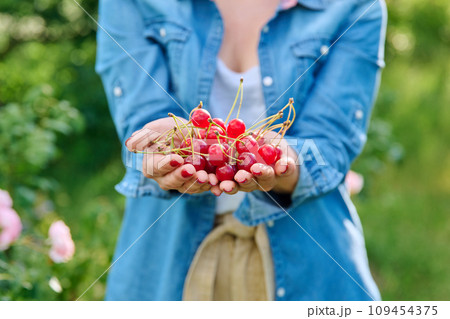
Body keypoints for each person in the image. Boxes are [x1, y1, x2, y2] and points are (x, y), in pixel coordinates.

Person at [96, 0, 386, 300]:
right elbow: (142, 118)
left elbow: (330, 141)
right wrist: (161, 149)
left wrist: (287, 164)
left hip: (310, 261)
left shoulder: (353, 5)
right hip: (164, 258)